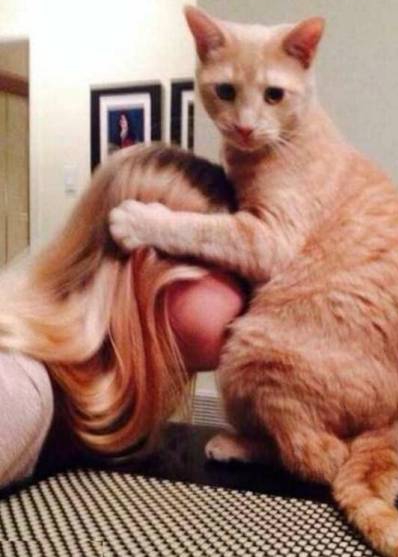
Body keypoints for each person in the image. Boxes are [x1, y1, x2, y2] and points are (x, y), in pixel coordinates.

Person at [0, 144, 246, 489]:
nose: (261, 297)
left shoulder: (114, 399)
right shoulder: (18, 387)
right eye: (239, 271)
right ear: (150, 263)